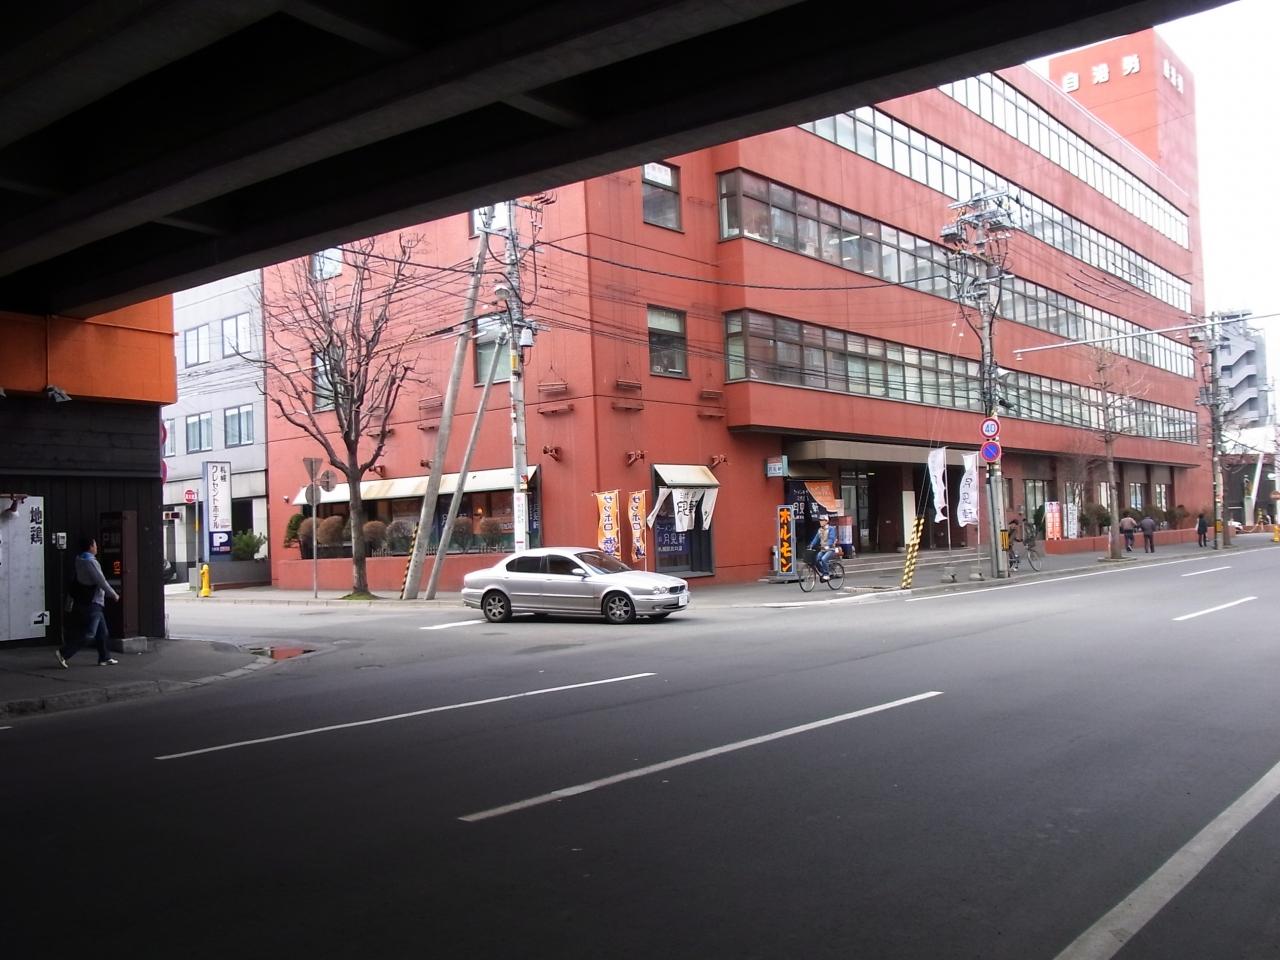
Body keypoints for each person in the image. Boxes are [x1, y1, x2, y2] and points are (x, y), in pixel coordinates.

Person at [56, 537, 119, 668]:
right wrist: (113, 594)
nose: (96, 547)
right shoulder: (90, 562)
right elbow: (101, 581)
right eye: (95, 545)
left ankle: (104, 657)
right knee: (90, 633)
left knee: (102, 632)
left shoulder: (79, 559)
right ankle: (64, 652)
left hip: (87, 600)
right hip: (93, 601)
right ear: (90, 547)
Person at [808, 515, 839, 582]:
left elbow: (831, 538)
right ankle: (824, 572)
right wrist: (811, 545)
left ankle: (826, 575)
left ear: (827, 521)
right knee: (816, 559)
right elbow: (816, 539)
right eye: (820, 520)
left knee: (823, 559)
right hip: (823, 550)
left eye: (822, 520)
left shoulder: (831, 529)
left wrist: (828, 545)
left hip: (831, 549)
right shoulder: (820, 530)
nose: (821, 522)